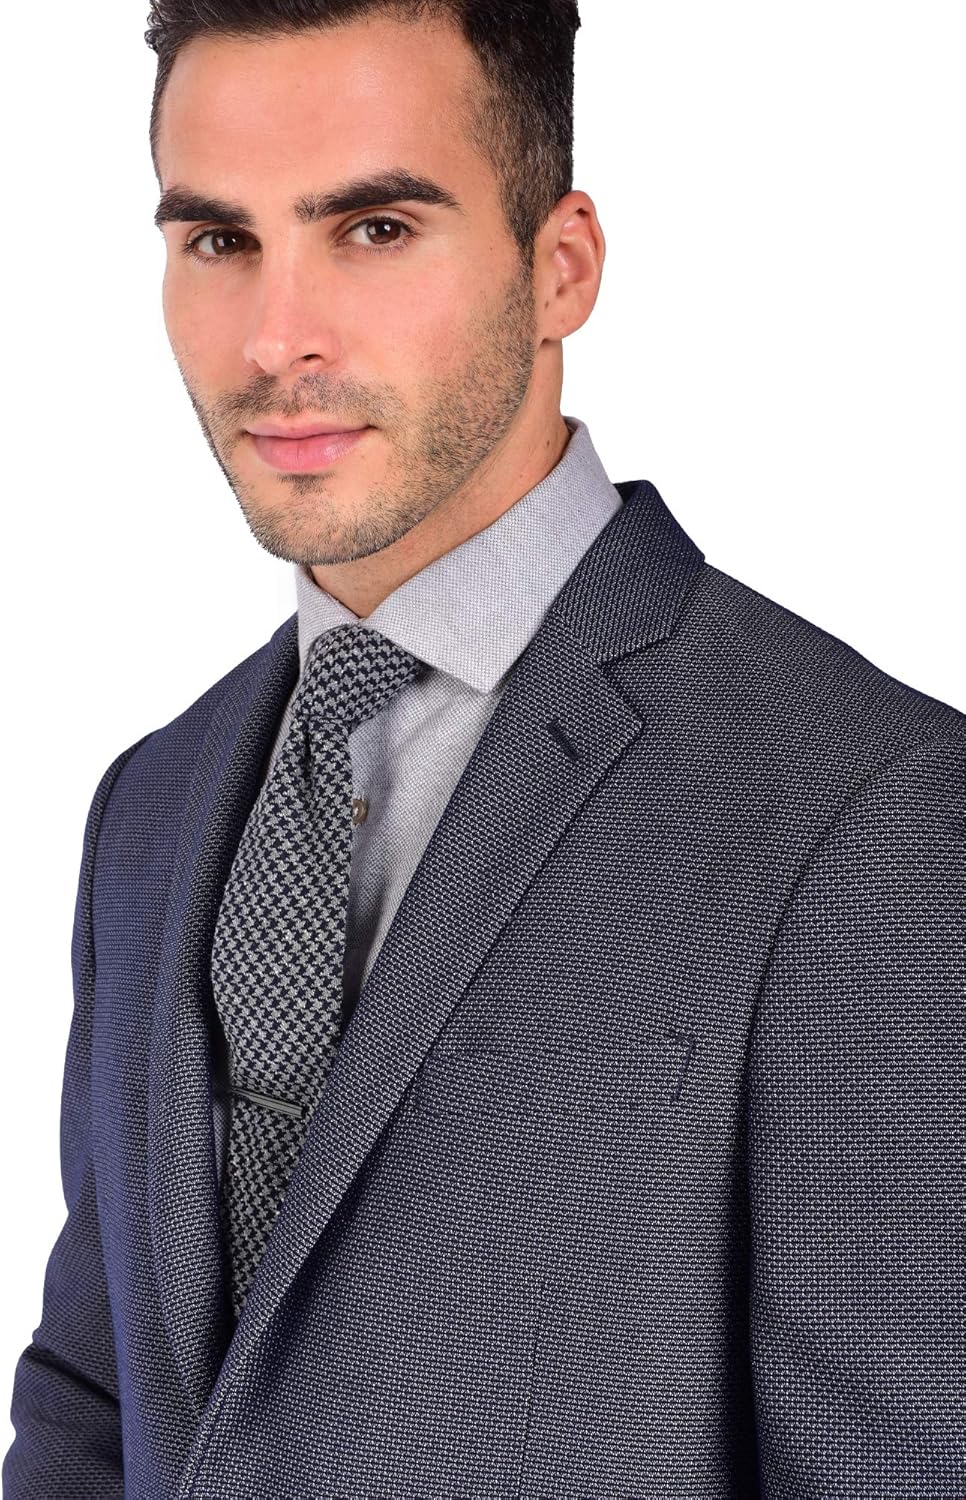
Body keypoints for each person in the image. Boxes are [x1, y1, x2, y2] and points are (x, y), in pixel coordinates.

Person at [4, 0, 964, 1495]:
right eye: (218, 239)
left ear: (560, 266)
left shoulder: (867, 804)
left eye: (375, 230)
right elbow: (95, 1400)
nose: (274, 339)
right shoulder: (152, 800)